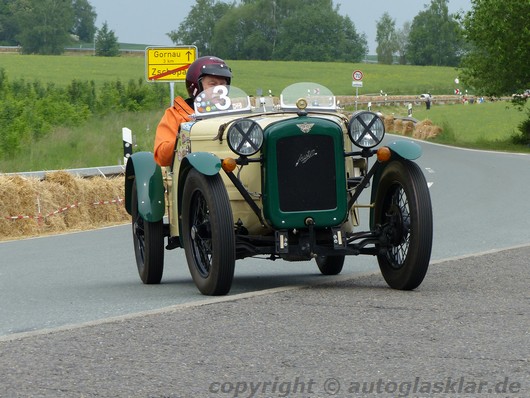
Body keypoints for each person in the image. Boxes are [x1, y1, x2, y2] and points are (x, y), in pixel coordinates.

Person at [153, 56, 232, 166]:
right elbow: (162, 157)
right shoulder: (176, 114)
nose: (219, 90)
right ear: (196, 86)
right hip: (193, 173)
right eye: (212, 84)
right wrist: (185, 136)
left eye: (223, 84)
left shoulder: (235, 112)